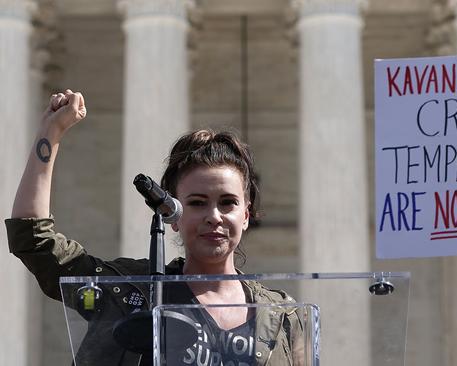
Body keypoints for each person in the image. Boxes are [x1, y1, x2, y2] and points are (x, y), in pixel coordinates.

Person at [6, 89, 304, 366]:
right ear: (172, 214)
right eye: (197, 202)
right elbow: (36, 243)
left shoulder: (281, 316)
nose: (214, 215)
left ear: (246, 215)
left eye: (227, 203)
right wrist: (51, 133)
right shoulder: (133, 293)